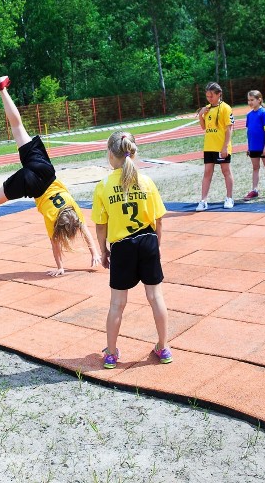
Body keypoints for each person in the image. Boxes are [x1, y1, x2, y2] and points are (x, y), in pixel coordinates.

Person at [0, 76, 100, 276]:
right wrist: (61, 267)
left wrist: (94, 251)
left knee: (18, 128)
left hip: (46, 170)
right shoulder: (53, 219)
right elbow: (59, 241)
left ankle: (2, 89)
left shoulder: (73, 209)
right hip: (32, 184)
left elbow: (84, 228)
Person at [92, 131, 172, 369]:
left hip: (122, 247)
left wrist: (103, 251)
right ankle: (163, 346)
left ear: (110, 155)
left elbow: (100, 226)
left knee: (117, 303)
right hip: (147, 241)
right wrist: (156, 245)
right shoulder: (146, 181)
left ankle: (111, 353)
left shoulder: (103, 186)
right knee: (155, 297)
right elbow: (159, 220)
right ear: (133, 152)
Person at [195, 82, 234, 211]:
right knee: (207, 172)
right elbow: (203, 127)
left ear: (219, 94)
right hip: (209, 146)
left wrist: (225, 146)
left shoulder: (225, 108)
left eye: (211, 96)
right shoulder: (207, 108)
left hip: (221, 146)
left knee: (226, 171)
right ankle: (203, 200)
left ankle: (229, 198)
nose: (209, 99)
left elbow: (229, 129)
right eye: (207, 96)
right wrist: (201, 115)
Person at [243, 90, 265, 200]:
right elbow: (249, 132)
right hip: (253, 146)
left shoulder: (264, 113)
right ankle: (254, 189)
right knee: (255, 167)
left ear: (259, 100)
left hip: (263, 146)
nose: (250, 102)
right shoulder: (249, 115)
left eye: (252, 100)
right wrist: (249, 147)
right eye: (248, 100)